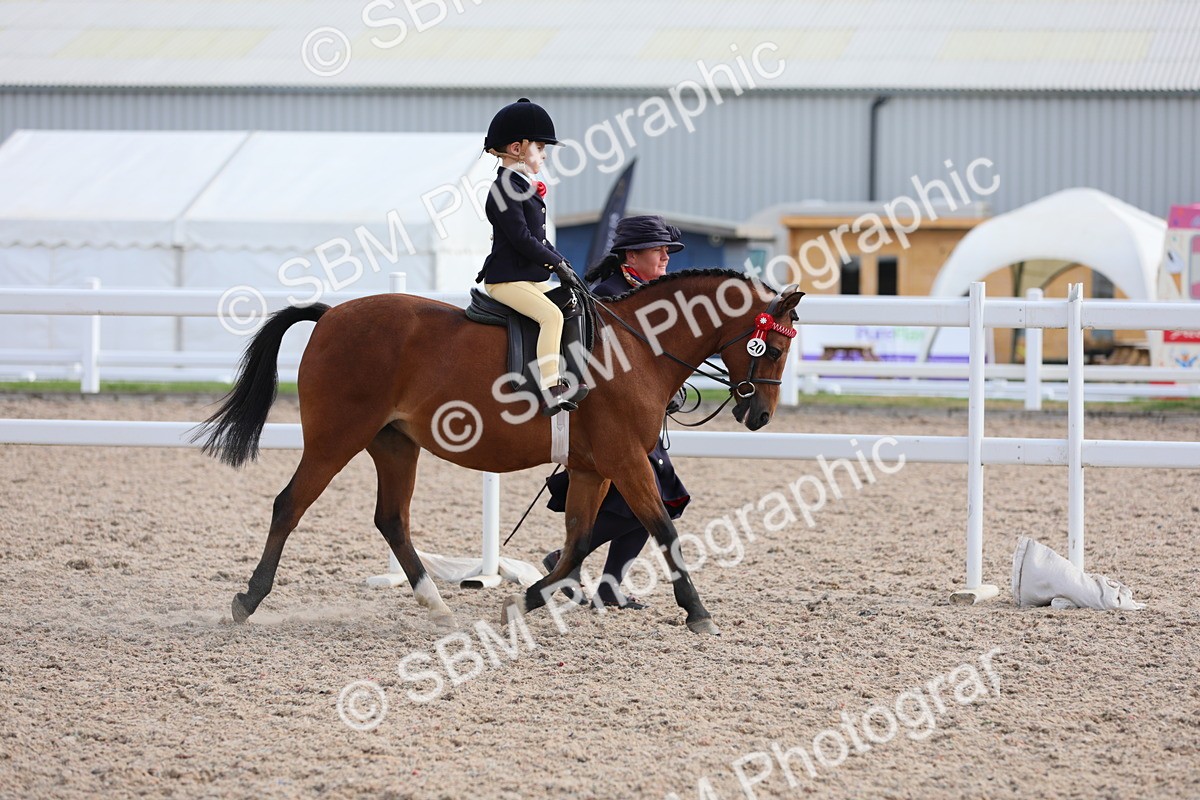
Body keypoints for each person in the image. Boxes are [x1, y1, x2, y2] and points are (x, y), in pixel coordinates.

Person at [543, 215, 690, 609]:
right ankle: (566, 559)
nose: (665, 257)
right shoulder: (607, 297)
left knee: (657, 502)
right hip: (609, 421)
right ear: (631, 255)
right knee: (648, 503)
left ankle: (606, 585)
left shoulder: (650, 295)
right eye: (658, 250)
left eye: (667, 251)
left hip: (637, 418)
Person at [476, 98, 585, 416]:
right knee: (551, 316)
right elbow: (522, 239)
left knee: (572, 301)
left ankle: (576, 373)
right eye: (539, 147)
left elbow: (540, 239)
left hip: (526, 277)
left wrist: (563, 262)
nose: (544, 154)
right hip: (506, 280)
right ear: (516, 148)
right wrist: (555, 264)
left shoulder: (521, 187)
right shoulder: (503, 189)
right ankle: (550, 386)